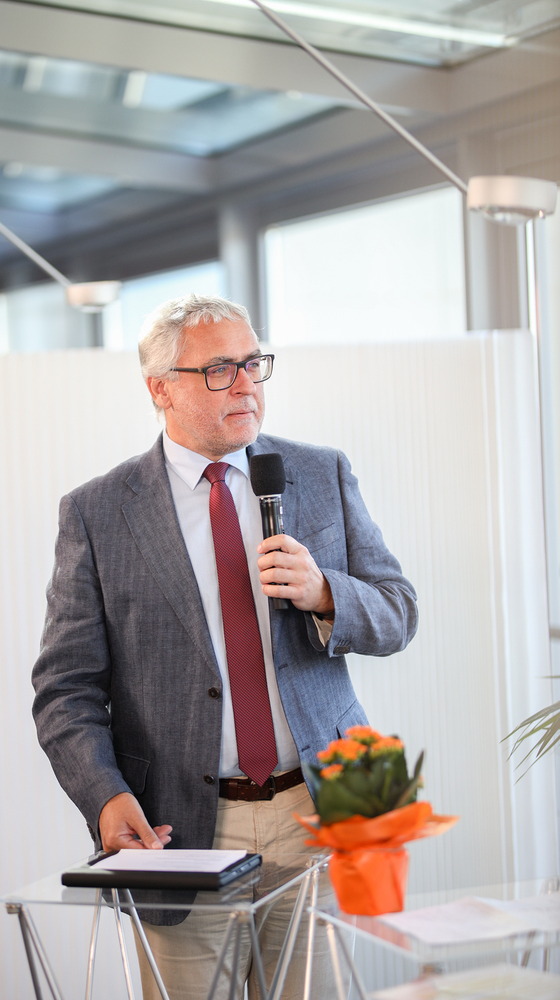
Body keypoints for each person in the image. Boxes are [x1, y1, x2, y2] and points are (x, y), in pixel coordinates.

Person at [32, 294, 418, 999]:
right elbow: (66, 690)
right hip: (180, 830)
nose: (245, 385)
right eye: (219, 369)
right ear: (160, 389)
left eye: (252, 364)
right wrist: (104, 795)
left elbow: (398, 612)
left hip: (319, 812)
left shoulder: (319, 472)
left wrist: (325, 592)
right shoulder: (97, 512)